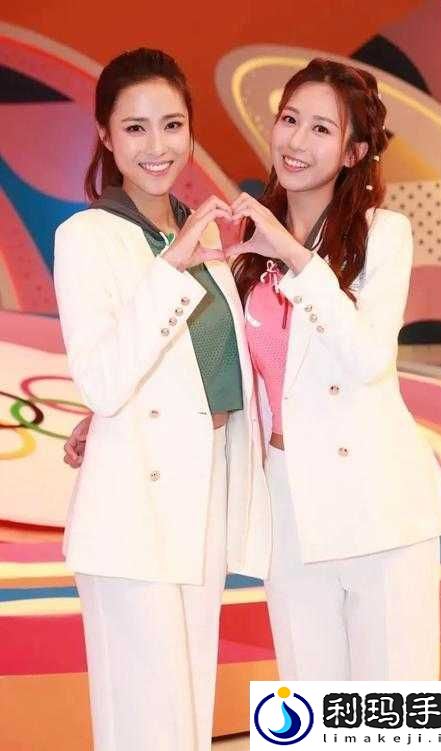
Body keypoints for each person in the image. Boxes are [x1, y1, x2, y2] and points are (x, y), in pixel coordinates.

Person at [65, 58, 441, 684]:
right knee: (313, 703)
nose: (297, 141)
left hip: (378, 505)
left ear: (355, 152)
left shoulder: (383, 235)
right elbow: (229, 364)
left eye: (322, 129)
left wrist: (299, 259)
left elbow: (367, 359)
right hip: (287, 504)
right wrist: (111, 414)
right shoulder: (244, 248)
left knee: (392, 706)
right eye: (289, 119)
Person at [54, 48, 270, 751]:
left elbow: (206, 371)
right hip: (132, 513)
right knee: (145, 720)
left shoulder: (198, 231)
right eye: (136, 127)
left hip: (202, 495)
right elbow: (103, 379)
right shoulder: (86, 237)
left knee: (188, 710)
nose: (158, 145)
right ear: (106, 135)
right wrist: (172, 266)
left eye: (172, 125)